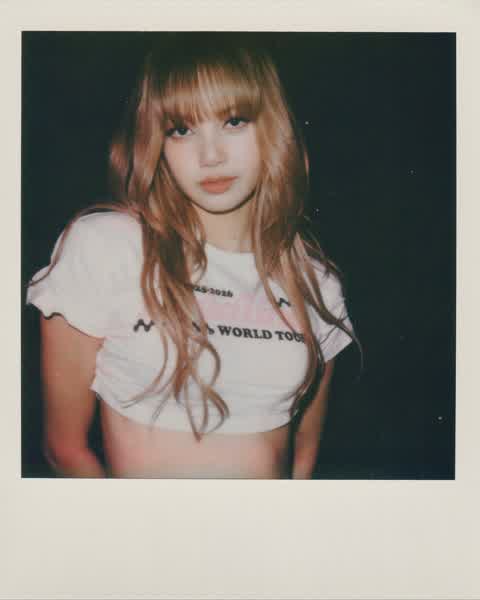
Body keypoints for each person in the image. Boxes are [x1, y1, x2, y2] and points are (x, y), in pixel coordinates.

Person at [26, 34, 358, 479]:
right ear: (156, 142)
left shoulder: (314, 281)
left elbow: (301, 460)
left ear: (273, 129)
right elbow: (64, 450)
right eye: (181, 129)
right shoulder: (109, 246)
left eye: (234, 121)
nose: (211, 155)